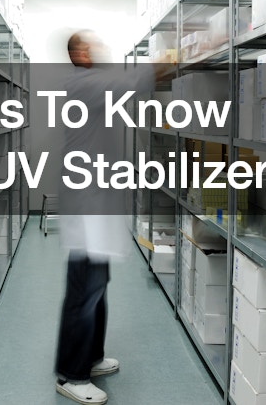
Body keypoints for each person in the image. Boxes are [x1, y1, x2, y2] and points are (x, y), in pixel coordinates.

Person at [54, 30, 165, 405]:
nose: (99, 49)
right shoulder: (85, 84)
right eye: (91, 45)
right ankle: (72, 374)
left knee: (97, 285)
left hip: (96, 203)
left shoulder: (92, 84)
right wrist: (175, 56)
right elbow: (134, 83)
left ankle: (92, 357)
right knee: (84, 290)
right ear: (79, 54)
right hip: (87, 206)